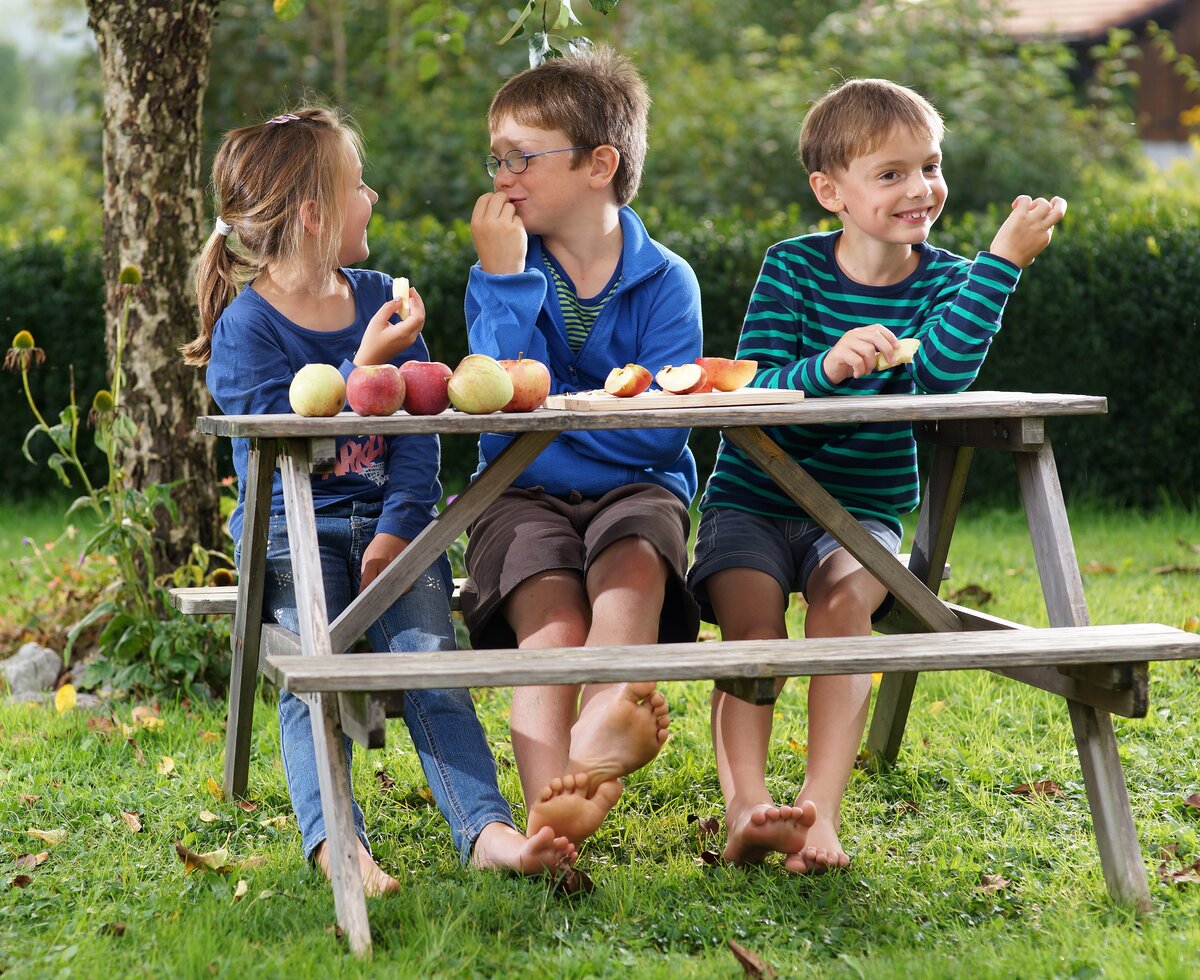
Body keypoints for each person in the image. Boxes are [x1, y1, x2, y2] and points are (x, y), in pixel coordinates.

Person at [184, 106, 575, 895]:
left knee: (432, 660)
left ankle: (488, 830)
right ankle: (340, 847)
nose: (375, 195)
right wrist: (366, 363)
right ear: (315, 215)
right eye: (360, 185)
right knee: (314, 673)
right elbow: (283, 438)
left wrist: (401, 529)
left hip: (391, 528)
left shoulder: (381, 299)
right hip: (291, 536)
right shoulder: (246, 329)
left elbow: (416, 437)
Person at [686, 78, 1067, 873]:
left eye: (929, 166)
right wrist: (823, 367)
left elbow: (944, 373)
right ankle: (748, 808)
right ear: (831, 191)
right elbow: (751, 382)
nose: (920, 188)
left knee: (839, 610)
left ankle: (819, 813)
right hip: (751, 501)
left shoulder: (948, 280)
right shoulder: (790, 269)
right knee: (753, 626)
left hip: (861, 513)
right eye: (890, 173)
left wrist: (1001, 262)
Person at [461, 49, 703, 847]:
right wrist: (504, 281)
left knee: (630, 573)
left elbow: (659, 429)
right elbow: (495, 406)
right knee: (553, 631)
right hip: (520, 491)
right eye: (496, 159)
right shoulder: (497, 272)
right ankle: (551, 813)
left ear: (601, 164)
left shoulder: (667, 281)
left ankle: (599, 736)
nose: (504, 176)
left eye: (523, 158)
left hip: (640, 487)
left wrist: (553, 418)